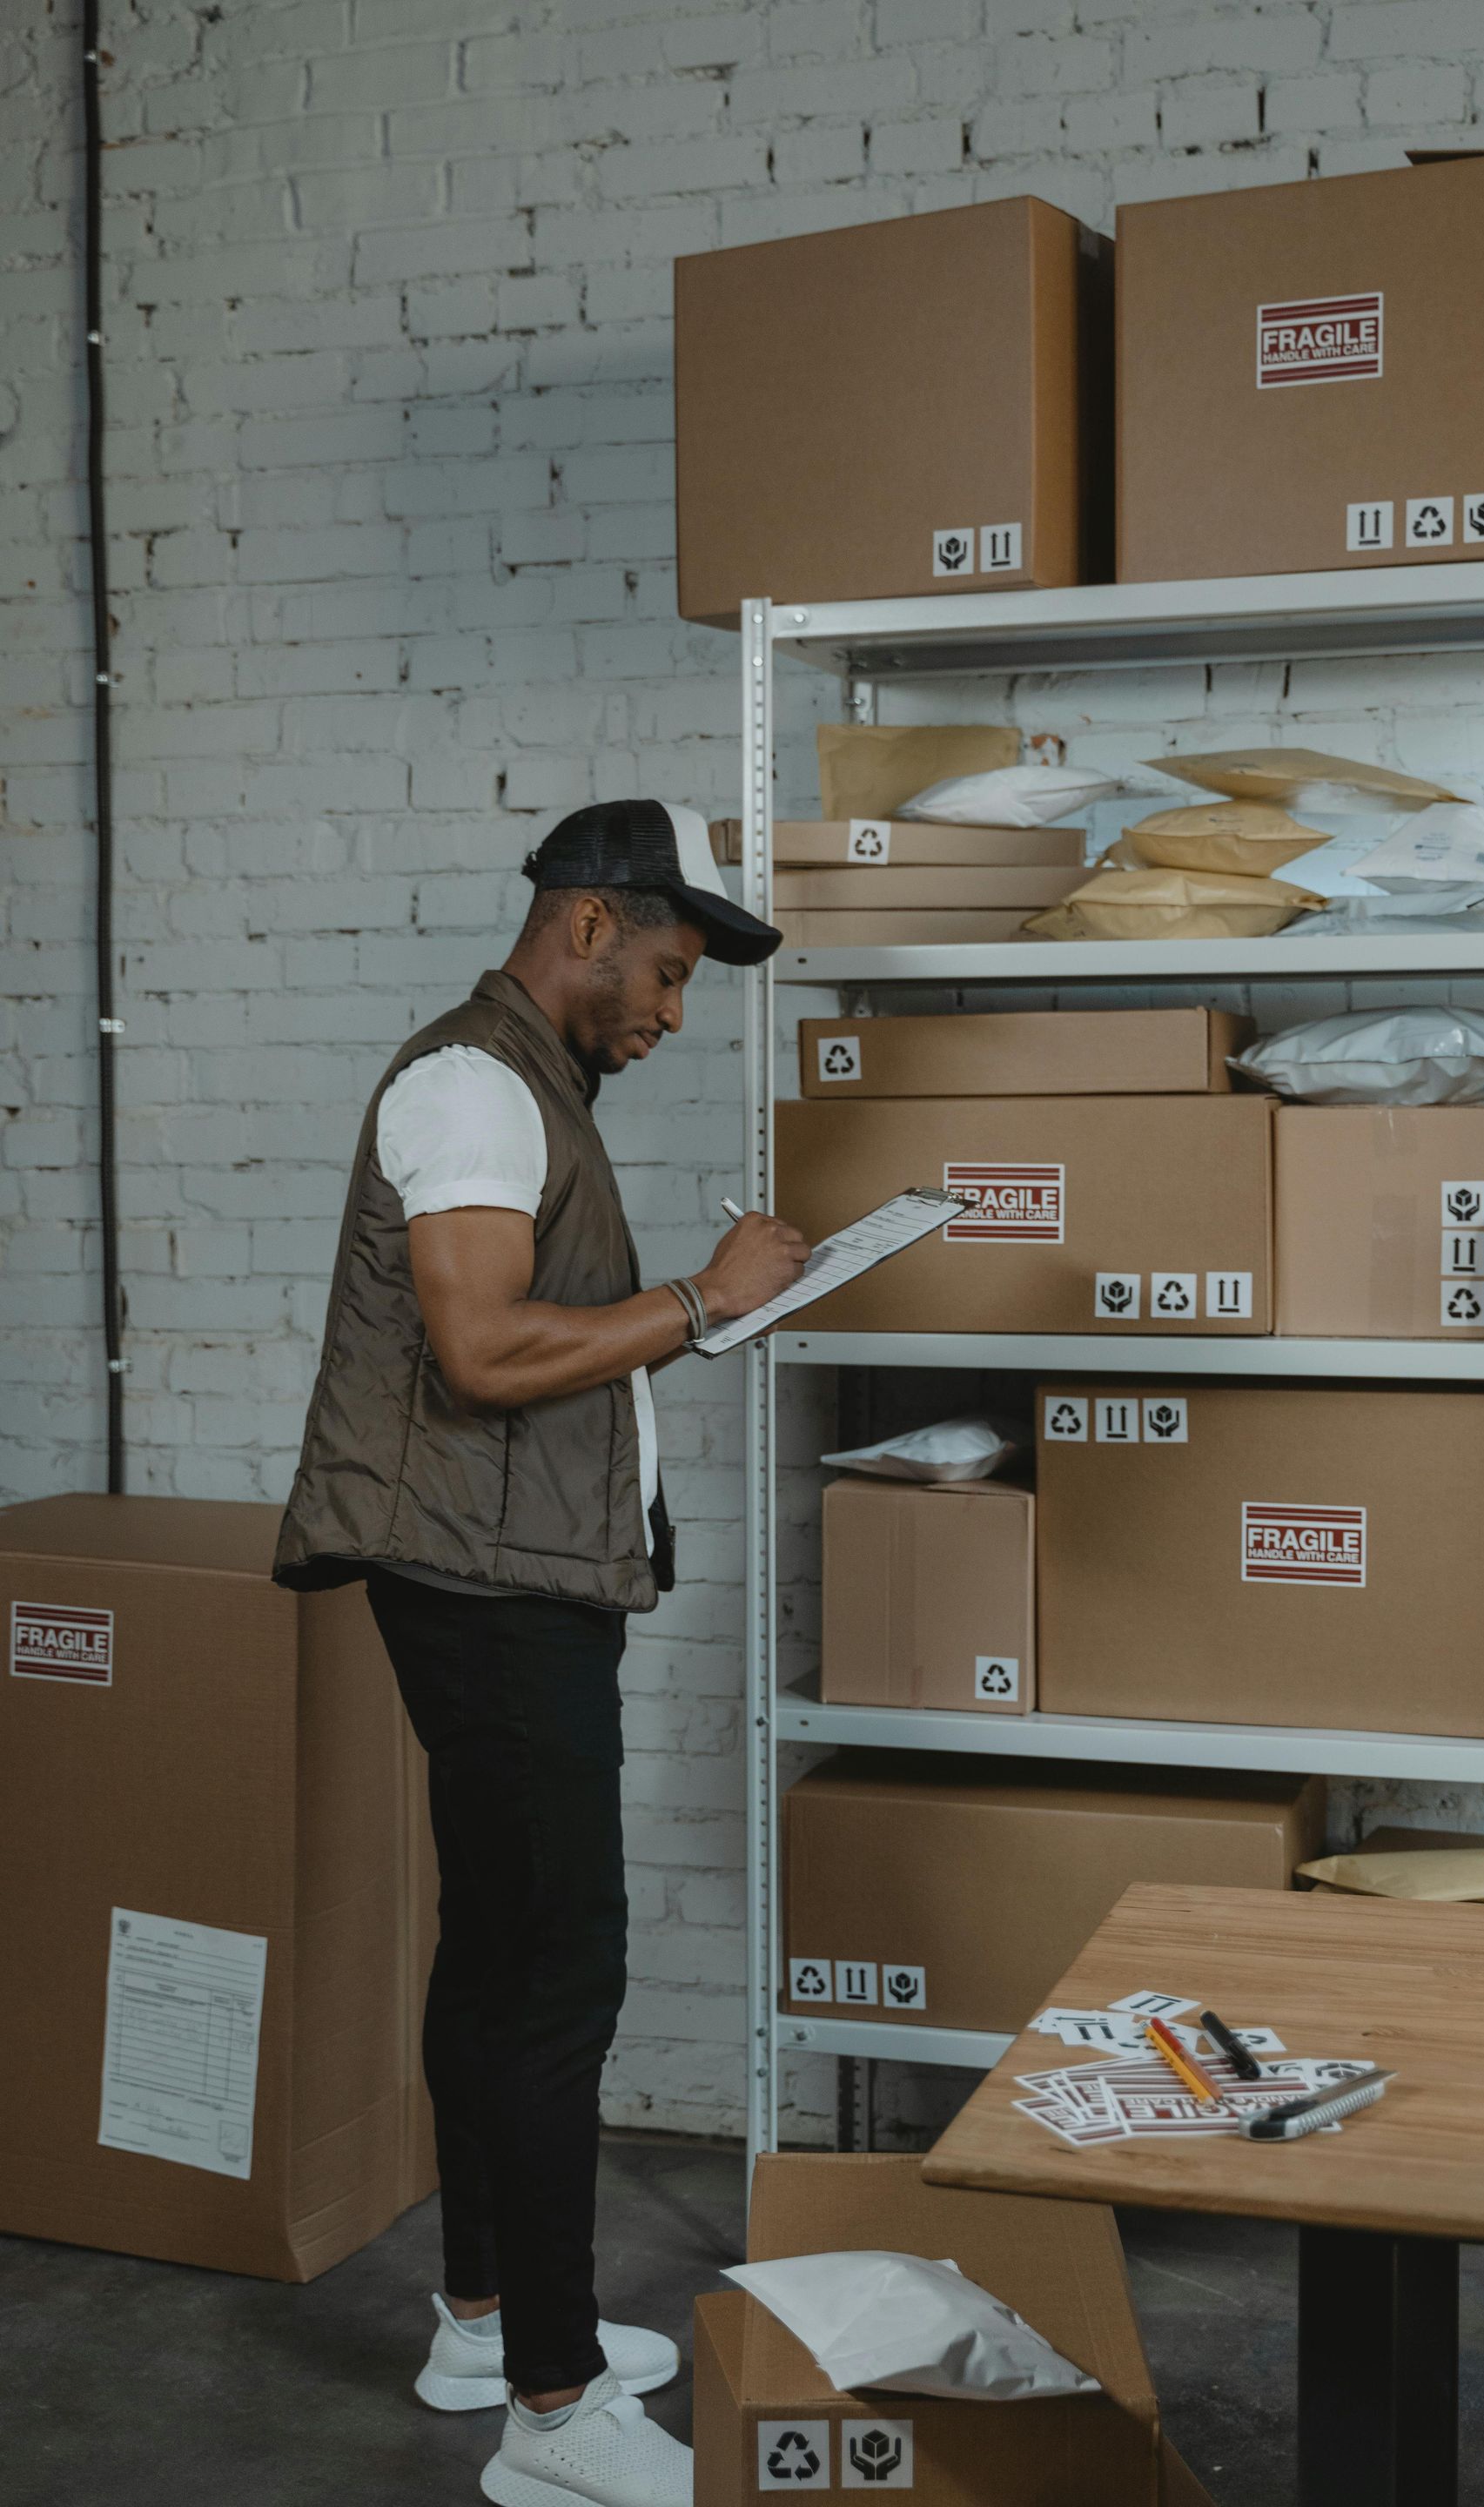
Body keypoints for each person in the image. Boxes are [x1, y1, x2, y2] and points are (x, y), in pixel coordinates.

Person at [273, 798, 807, 2507]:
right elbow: (488, 1350)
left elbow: (533, 1346)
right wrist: (708, 1303)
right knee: (560, 1973)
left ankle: (484, 2326)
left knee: (501, 1957)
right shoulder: (469, 1087)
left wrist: (706, 1310)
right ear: (587, 923)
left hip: (517, 1579)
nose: (669, 1009)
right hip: (486, 1592)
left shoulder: (529, 1094)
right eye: (662, 970)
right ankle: (557, 2416)